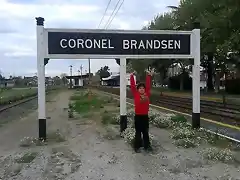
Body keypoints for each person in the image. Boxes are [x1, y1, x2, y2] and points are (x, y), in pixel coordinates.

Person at [130, 70, 153, 153]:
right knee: (138, 132)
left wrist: (149, 76)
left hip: (145, 116)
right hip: (138, 117)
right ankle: (137, 147)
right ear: (138, 89)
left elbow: (148, 85)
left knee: (146, 132)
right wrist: (132, 76)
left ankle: (147, 146)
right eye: (140, 88)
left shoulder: (147, 94)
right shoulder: (136, 94)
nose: (142, 89)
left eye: (143, 88)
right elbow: (132, 86)